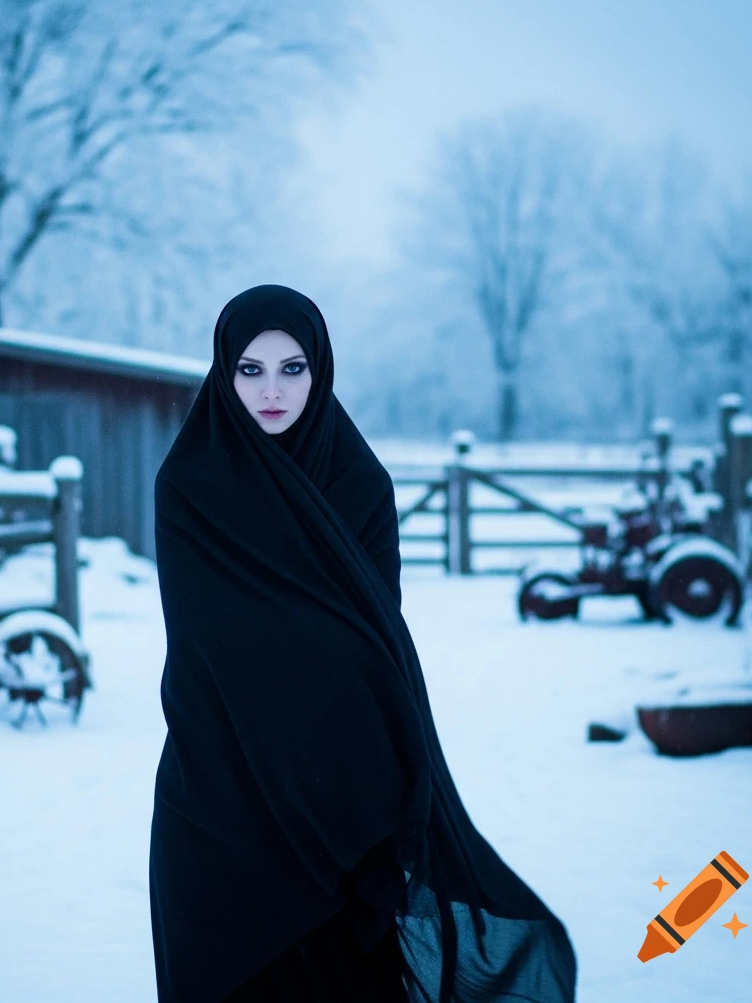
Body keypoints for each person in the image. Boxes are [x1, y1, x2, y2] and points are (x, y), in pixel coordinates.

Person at [149, 285, 578, 1002]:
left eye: (293, 368)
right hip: (222, 803)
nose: (273, 389)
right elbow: (208, 653)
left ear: (321, 371)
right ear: (224, 373)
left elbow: (375, 647)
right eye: (250, 369)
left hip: (347, 805)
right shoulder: (192, 487)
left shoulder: (358, 484)